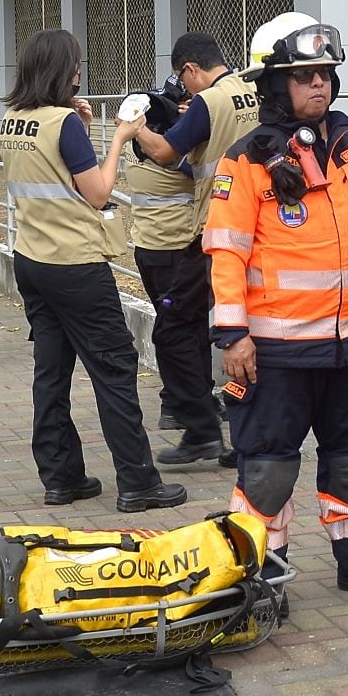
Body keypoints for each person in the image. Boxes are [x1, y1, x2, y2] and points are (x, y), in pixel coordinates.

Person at [204, 12, 348, 597]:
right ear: (274, 85)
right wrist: (233, 335)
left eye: (325, 74)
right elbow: (224, 254)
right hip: (275, 352)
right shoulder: (247, 161)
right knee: (268, 469)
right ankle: (259, 573)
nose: (319, 85)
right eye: (304, 76)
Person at [0, 28, 191, 512]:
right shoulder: (61, 122)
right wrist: (118, 139)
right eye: (76, 65)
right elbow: (98, 193)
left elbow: (53, 174)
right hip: (76, 266)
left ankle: (61, 478)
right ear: (61, 70)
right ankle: (138, 483)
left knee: (51, 371)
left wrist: (79, 129)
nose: (80, 74)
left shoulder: (14, 119)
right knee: (114, 369)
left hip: (32, 260)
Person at [122, 31, 259, 466]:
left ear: (190, 70)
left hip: (216, 231)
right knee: (253, 331)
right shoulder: (255, 89)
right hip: (266, 229)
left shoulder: (209, 102)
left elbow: (163, 152)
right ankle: (250, 433)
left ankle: (202, 430)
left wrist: (135, 127)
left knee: (175, 328)